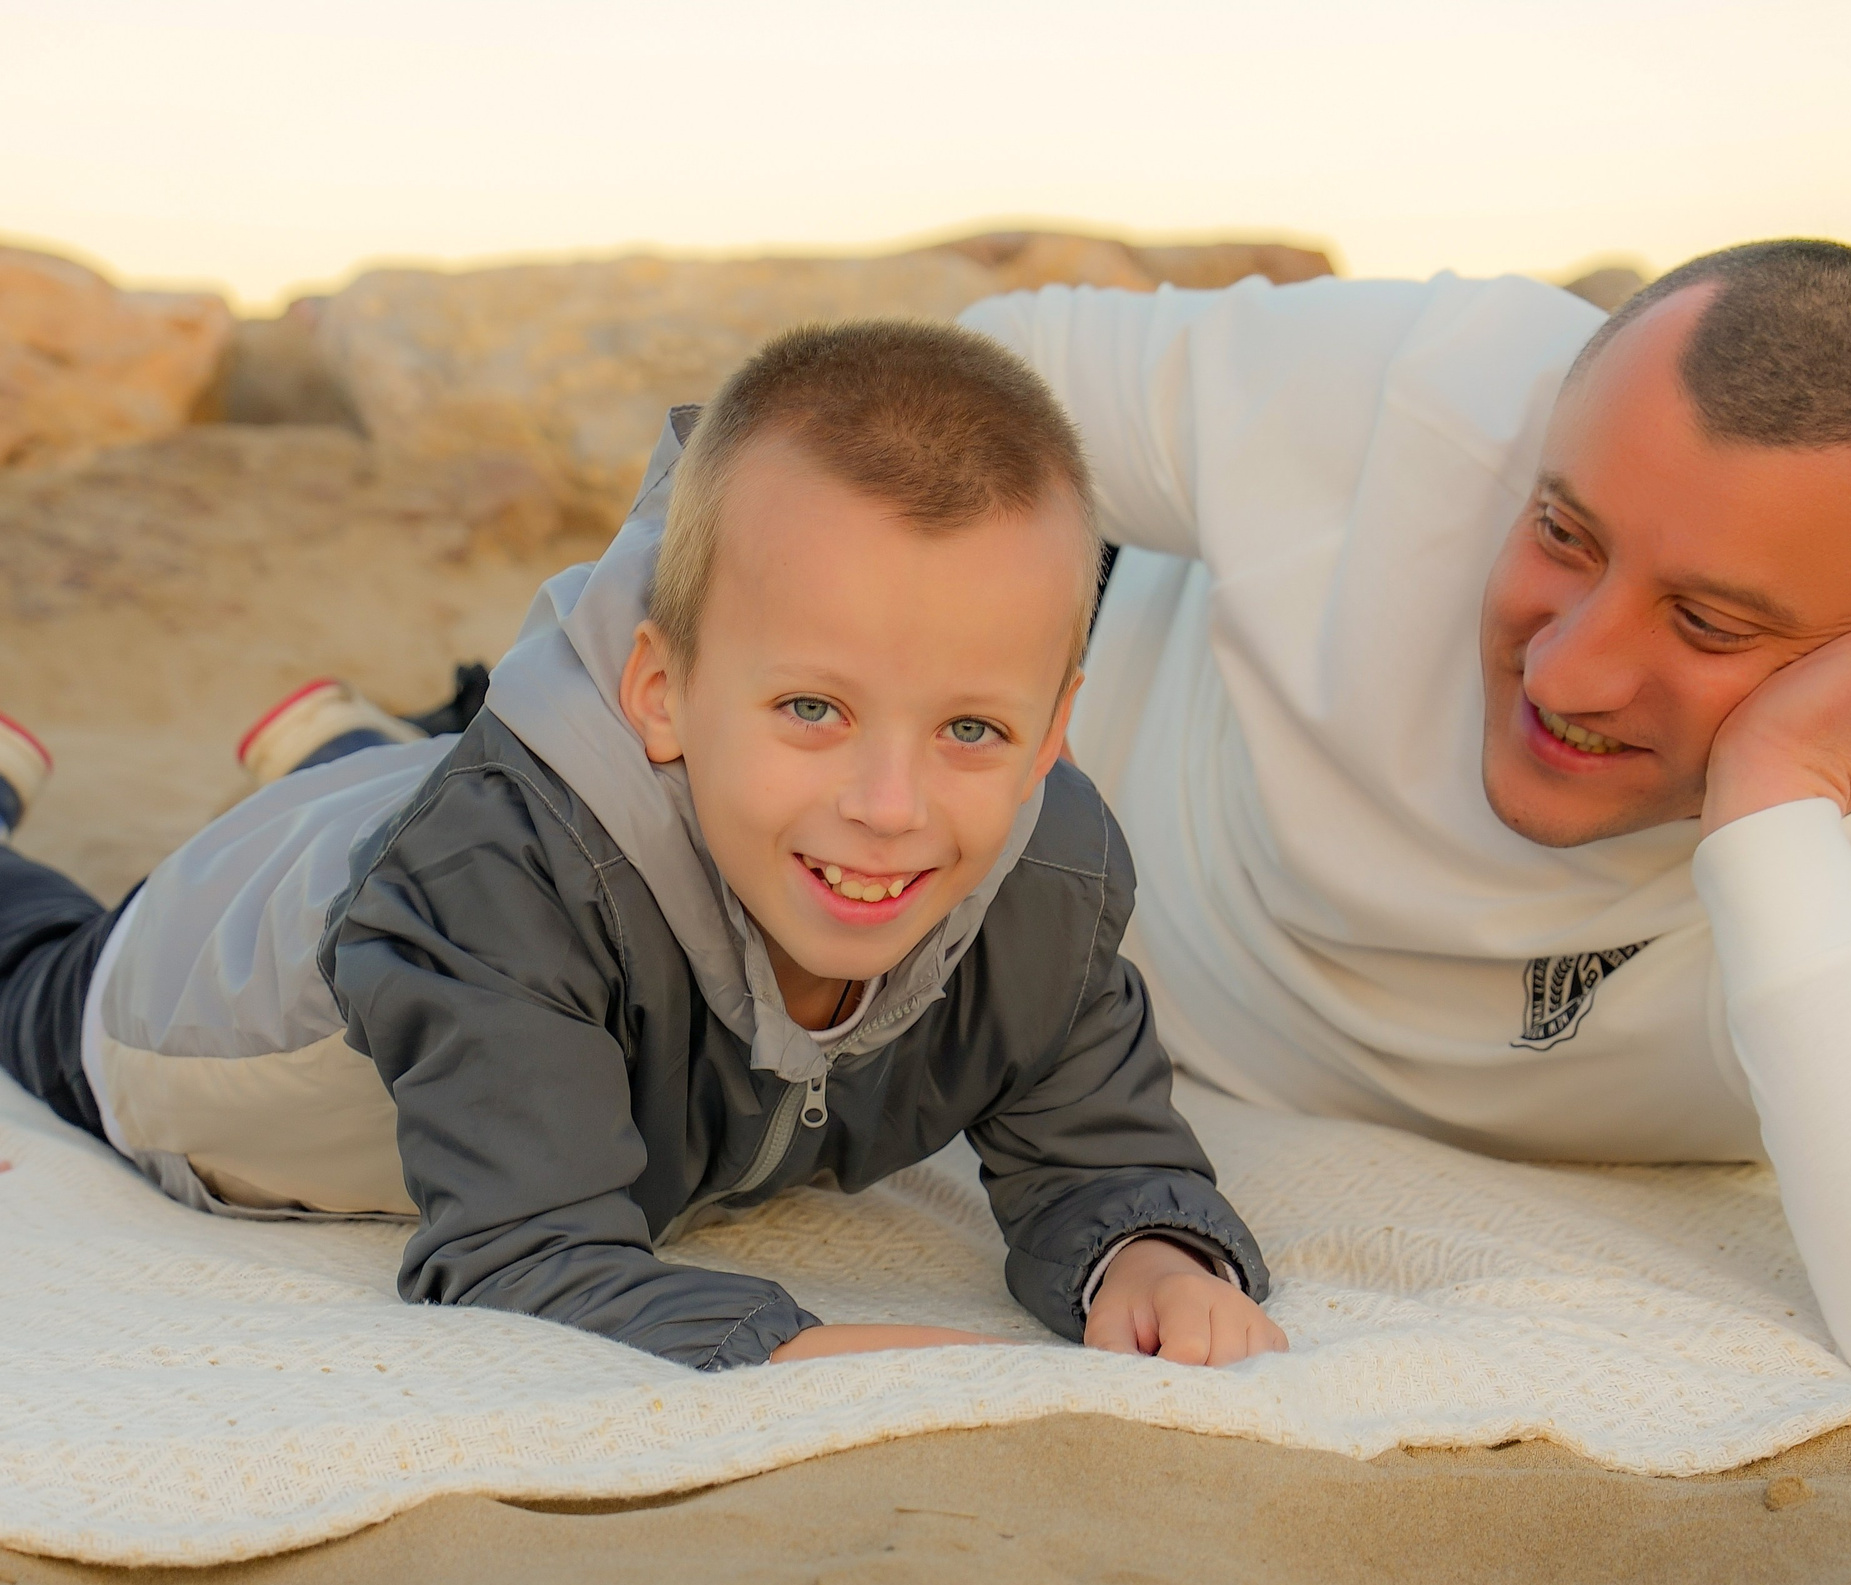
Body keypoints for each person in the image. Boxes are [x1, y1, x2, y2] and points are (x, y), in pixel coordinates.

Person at [959, 239, 1851, 1383]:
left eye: (1708, 624)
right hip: (1038, 838)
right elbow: (946, 393)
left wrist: (1774, 808)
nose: (1566, 675)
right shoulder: (1422, 384)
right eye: (1561, 534)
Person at [0, 321, 1286, 1371]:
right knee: (39, 963)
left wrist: (1150, 1253)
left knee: (449, 793)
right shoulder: (500, 884)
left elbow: (1098, 1150)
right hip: (210, 980)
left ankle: (343, 739)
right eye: (812, 709)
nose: (889, 805)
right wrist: (788, 1353)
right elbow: (523, 1253)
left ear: (1055, 728)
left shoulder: (1040, 885)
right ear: (657, 690)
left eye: (968, 726)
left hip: (472, 808)